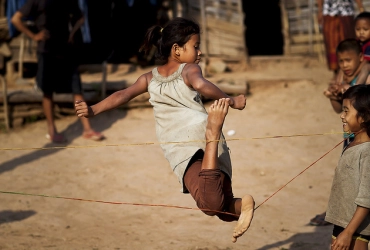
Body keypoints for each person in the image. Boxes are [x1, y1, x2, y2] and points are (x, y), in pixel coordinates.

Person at [75, 17, 255, 243]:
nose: (199, 52)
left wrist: (93, 110)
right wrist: (232, 100)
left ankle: (213, 134)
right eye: (196, 46)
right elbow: (199, 85)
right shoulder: (188, 71)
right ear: (177, 49)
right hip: (202, 136)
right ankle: (242, 205)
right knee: (222, 205)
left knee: (209, 204)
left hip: (186, 146)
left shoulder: (153, 77)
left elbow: (124, 94)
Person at [11, 0, 104, 143]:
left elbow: (81, 17)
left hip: (66, 50)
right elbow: (15, 19)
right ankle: (52, 130)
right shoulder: (37, 1)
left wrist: (72, 33)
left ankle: (87, 129)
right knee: (47, 91)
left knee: (76, 89)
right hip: (47, 51)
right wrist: (34, 36)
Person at [312, 39, 367, 227]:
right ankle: (343, 214)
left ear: (360, 58)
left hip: (364, 139)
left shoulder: (366, 76)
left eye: (348, 60)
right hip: (350, 138)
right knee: (347, 176)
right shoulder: (342, 77)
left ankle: (353, 222)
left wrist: (347, 90)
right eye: (341, 61)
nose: (344, 65)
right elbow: (339, 109)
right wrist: (333, 96)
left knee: (362, 180)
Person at [325, 84, 370, 249]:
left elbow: (367, 198)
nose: (341, 116)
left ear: (364, 116)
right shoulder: (352, 144)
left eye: (346, 111)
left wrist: (349, 232)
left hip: (355, 230)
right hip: (341, 223)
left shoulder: (367, 152)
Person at [317, 0, 365, 81]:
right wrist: (319, 10)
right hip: (329, 12)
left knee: (348, 43)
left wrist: (361, 8)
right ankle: (336, 73)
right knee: (331, 43)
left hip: (346, 12)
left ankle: (349, 72)